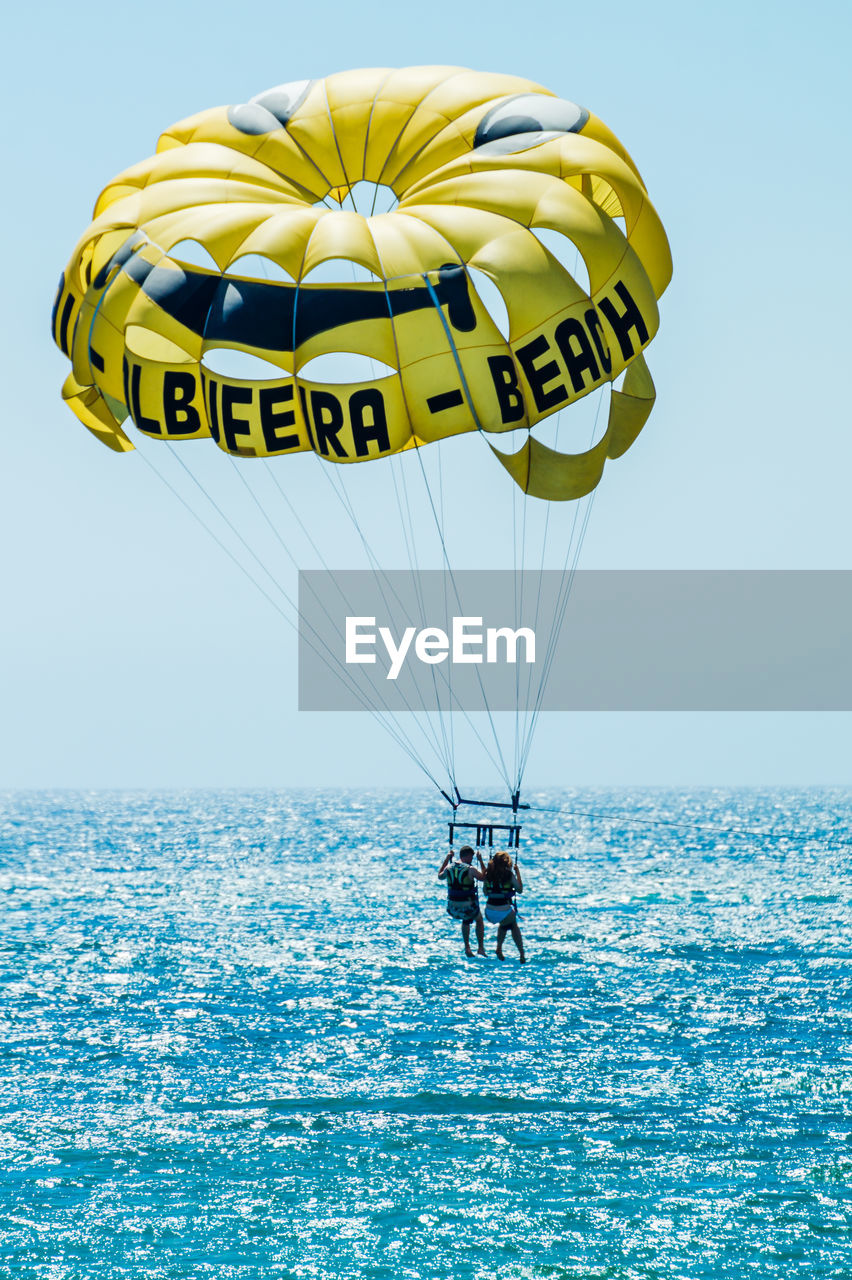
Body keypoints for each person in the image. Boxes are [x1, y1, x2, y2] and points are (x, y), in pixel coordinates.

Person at [438, 845, 486, 957]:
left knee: (466, 920)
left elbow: (440, 876)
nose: (472, 860)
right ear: (468, 856)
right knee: (478, 919)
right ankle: (480, 947)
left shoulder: (449, 867)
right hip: (468, 907)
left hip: (452, 908)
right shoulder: (471, 869)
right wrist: (481, 861)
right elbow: (484, 878)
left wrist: (446, 859)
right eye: (472, 858)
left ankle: (467, 947)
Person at [483, 849, 525, 963]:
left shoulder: (488, 875)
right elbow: (520, 890)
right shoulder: (509, 875)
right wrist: (518, 872)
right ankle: (521, 952)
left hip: (489, 911)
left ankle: (499, 948)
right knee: (513, 925)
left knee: (504, 923)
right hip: (504, 910)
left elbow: (485, 892)